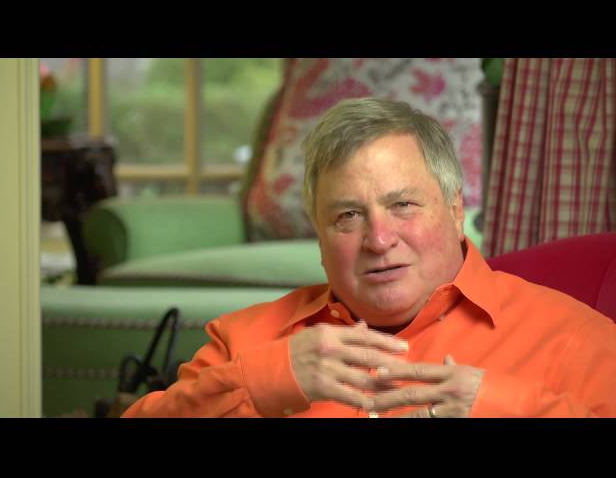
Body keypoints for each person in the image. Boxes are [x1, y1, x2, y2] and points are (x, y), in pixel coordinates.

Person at [122, 97, 616, 418]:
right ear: (320, 236)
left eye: (403, 205)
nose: (378, 239)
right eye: (348, 216)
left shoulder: (573, 338)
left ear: (454, 208)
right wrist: (269, 383)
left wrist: (500, 407)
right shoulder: (245, 342)